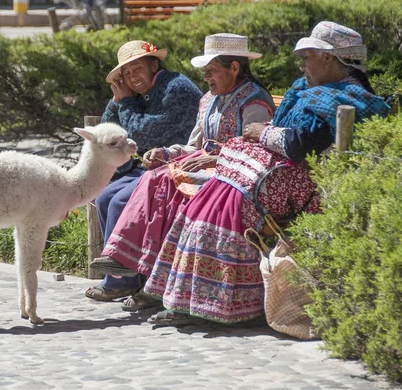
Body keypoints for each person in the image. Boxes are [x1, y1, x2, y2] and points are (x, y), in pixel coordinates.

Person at [143, 21, 390, 325]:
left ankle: (219, 305)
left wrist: (261, 132)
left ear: (327, 58)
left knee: (228, 205)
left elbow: (300, 144)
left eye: (307, 56)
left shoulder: (343, 96)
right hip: (274, 172)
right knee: (206, 200)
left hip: (300, 182)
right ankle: (188, 300)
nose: (301, 64)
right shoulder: (308, 89)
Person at [88, 34, 276, 310]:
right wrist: (167, 153)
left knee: (162, 187)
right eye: (206, 72)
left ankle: (143, 277)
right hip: (203, 166)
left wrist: (210, 159)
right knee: (154, 179)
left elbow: (253, 152)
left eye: (212, 71)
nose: (207, 78)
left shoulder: (254, 102)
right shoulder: (209, 100)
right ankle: (128, 267)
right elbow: (193, 145)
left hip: (234, 175)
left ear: (234, 68)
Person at [84, 40, 203, 301]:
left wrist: (126, 102)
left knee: (120, 202)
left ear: (154, 64)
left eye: (136, 68)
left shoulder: (175, 88)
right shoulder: (137, 94)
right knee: (104, 197)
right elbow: (110, 130)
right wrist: (117, 100)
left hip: (179, 164)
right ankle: (123, 276)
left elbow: (141, 133)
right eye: (125, 74)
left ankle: (121, 281)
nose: (131, 77)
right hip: (149, 166)